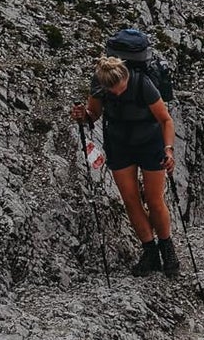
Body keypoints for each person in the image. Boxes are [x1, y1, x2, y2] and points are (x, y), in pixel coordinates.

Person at [71, 56, 180, 275]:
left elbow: (166, 120)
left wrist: (168, 149)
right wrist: (84, 116)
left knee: (154, 199)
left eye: (121, 89)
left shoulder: (142, 83)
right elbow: (94, 114)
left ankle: (167, 248)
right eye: (114, 92)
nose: (118, 94)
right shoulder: (100, 86)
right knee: (131, 200)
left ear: (126, 77)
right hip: (119, 144)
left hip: (150, 142)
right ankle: (150, 251)